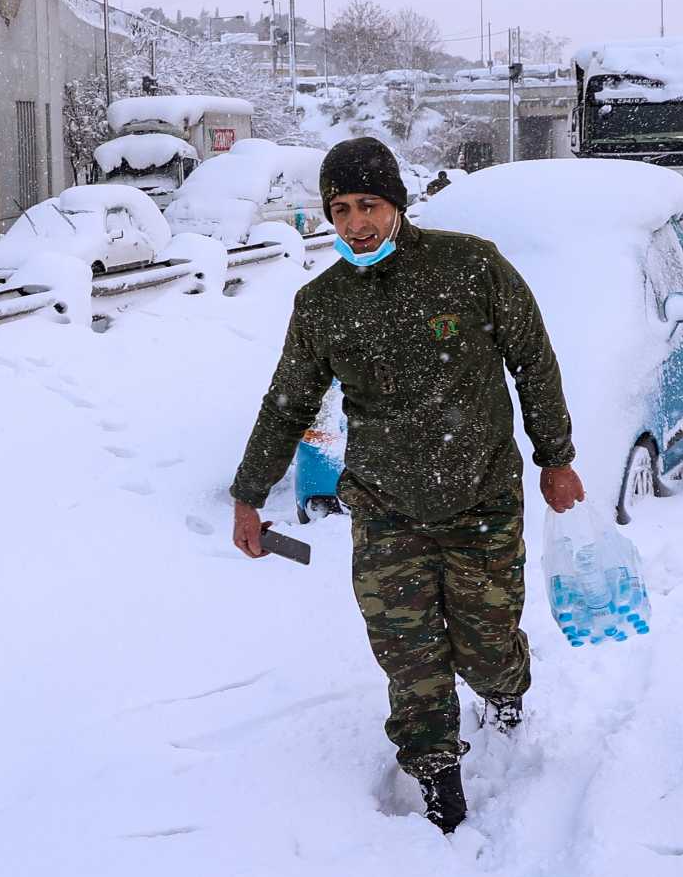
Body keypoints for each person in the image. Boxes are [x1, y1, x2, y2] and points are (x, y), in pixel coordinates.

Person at [230, 137, 584, 835]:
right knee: (408, 654)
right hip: (388, 509)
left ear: (396, 202)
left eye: (368, 204)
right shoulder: (323, 304)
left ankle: (505, 689)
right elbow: (287, 402)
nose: (356, 223)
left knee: (485, 648)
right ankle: (436, 782)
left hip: (481, 496)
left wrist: (556, 454)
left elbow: (532, 358)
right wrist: (249, 492)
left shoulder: (469, 266)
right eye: (340, 209)